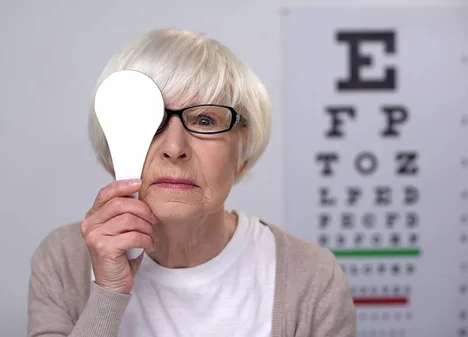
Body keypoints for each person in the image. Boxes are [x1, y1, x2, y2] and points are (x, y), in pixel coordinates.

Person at [27, 28, 356, 337]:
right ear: (111, 148)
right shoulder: (64, 258)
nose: (174, 148)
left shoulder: (311, 276)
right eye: (149, 119)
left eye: (205, 119)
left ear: (243, 149)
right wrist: (108, 293)